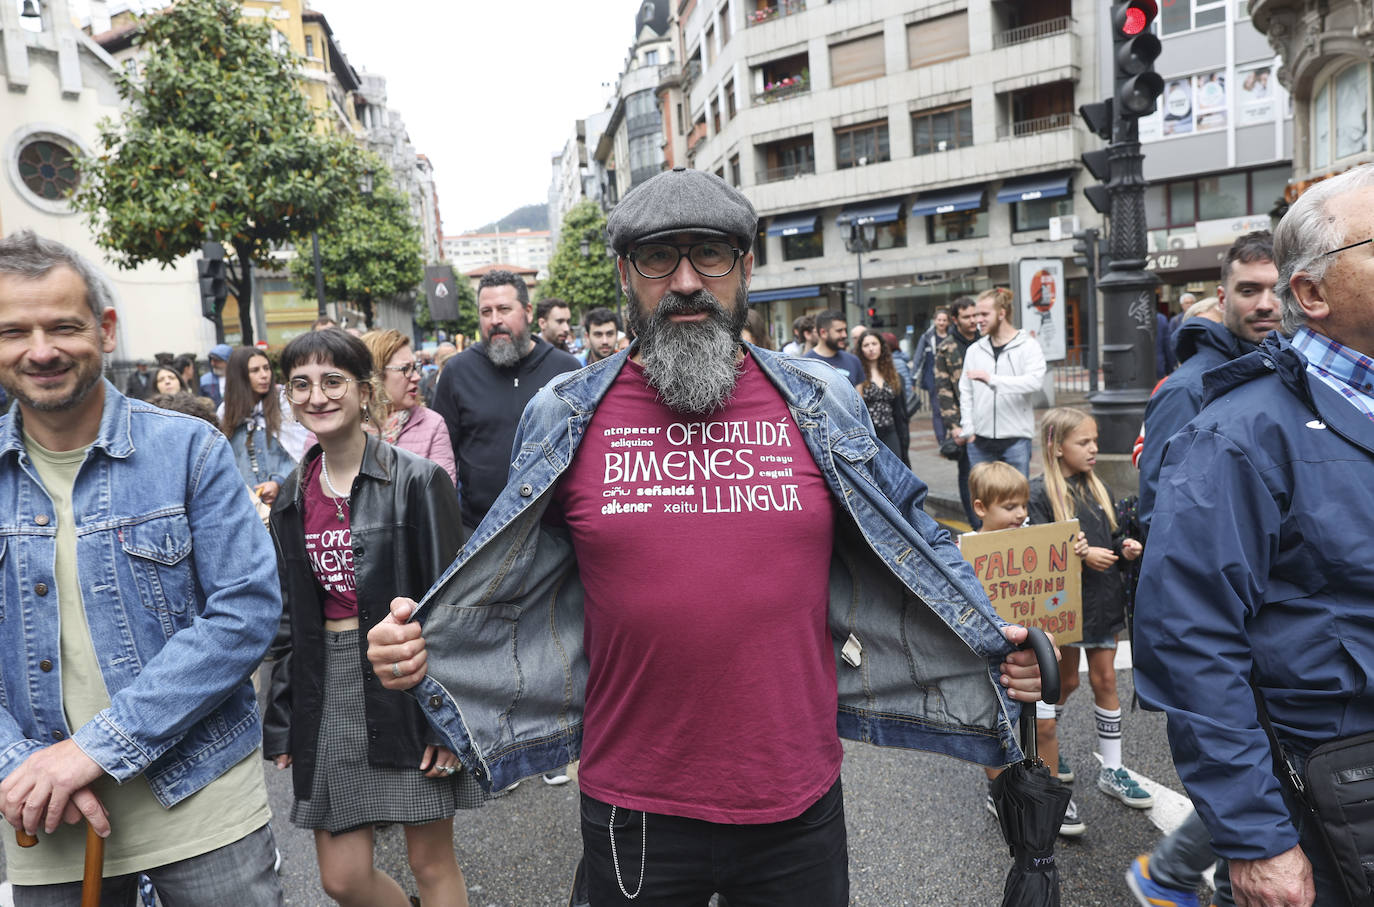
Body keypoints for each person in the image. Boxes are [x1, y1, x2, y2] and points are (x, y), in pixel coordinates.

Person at [364, 166, 1047, 905]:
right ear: (627, 273)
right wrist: (420, 640)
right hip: (633, 802)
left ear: (745, 267)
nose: (686, 280)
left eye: (711, 255)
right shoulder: (564, 413)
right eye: (660, 257)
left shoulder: (823, 401)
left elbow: (913, 527)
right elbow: (506, 574)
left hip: (796, 799)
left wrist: (994, 632)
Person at [0, 231, 283, 904]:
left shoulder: (188, 449)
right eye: (15, 331)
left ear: (104, 328)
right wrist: (21, 767)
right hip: (46, 818)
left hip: (203, 797)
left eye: (63, 325)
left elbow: (244, 613)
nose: (41, 350)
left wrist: (95, 748)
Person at [1134, 164, 1374, 907]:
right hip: (1330, 797)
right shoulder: (1237, 433)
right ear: (1311, 293)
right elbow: (1190, 635)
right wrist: (1258, 837)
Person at [263, 329, 480, 907]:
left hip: (407, 675)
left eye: (332, 381)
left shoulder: (416, 478)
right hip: (327, 681)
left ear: (363, 392)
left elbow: (452, 604)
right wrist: (281, 714)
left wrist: (450, 720)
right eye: (301, 385)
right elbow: (288, 617)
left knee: (430, 861)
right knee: (342, 878)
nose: (317, 396)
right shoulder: (290, 495)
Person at [1028, 407, 1148, 828]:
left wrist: (1125, 544)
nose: (1094, 448)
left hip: (1104, 601)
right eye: (1084, 442)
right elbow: (1036, 551)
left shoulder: (1099, 488)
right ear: (1056, 448)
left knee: (1107, 680)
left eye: (1095, 440)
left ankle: (1113, 769)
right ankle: (1047, 749)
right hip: (1065, 608)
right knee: (1067, 681)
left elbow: (1111, 536)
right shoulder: (1040, 493)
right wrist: (1074, 553)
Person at [963, 461, 1087, 838]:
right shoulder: (964, 548)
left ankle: (1048, 796)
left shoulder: (1038, 539)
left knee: (1045, 727)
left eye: (1023, 505)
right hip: (985, 663)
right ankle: (1000, 793)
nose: (1021, 514)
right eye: (1010, 507)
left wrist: (1073, 552)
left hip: (1031, 658)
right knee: (994, 734)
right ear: (982, 508)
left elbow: (1058, 576)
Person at [1137, 231, 1278, 530]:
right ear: (1223, 299)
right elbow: (1162, 517)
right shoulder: (1186, 390)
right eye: (1249, 290)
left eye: (1277, 290)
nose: (1265, 304)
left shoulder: (1293, 372)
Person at [430, 269, 580, 537]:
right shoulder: (457, 372)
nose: (495, 320)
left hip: (555, 535)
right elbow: (441, 461)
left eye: (504, 309)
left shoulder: (566, 370)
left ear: (529, 312)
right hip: (479, 535)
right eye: (486, 312)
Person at [958, 286, 1047, 476]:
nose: (977, 320)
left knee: (1015, 500)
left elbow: (1035, 381)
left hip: (1016, 441)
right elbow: (965, 391)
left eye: (984, 314)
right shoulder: (974, 350)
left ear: (1002, 313)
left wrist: (992, 380)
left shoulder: (1028, 346)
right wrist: (969, 430)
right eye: (975, 314)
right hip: (979, 442)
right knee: (983, 500)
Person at [362, 329, 457, 488]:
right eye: (405, 369)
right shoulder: (340, 425)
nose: (417, 377)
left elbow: (442, 498)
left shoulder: (432, 424)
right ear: (376, 374)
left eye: (415, 367)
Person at [219, 346, 296, 506]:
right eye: (255, 370)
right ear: (239, 375)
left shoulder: (284, 403)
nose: (264, 375)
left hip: (287, 499)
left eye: (266, 368)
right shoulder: (225, 412)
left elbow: (300, 452)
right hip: (248, 505)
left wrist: (277, 482)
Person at [935, 296, 981, 527]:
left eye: (975, 315)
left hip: (988, 419)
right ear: (955, 319)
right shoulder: (947, 348)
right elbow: (943, 390)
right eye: (967, 317)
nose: (973, 321)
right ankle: (976, 524)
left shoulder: (986, 340)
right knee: (968, 475)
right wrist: (954, 425)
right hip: (964, 422)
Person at [856, 330, 907, 460]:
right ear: (861, 349)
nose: (871, 348)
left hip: (890, 430)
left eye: (874, 343)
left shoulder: (891, 374)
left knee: (895, 470)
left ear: (881, 346)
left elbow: (899, 409)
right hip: (869, 433)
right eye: (866, 345)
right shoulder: (858, 374)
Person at [913, 308, 950, 437]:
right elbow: (918, 358)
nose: (941, 322)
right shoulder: (927, 337)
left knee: (951, 409)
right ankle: (941, 440)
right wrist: (913, 378)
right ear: (934, 321)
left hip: (951, 379)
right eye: (939, 320)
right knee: (937, 410)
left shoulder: (953, 336)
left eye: (944, 320)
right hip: (933, 379)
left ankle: (952, 436)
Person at [804, 309, 864, 385]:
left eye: (845, 330)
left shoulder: (853, 361)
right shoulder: (806, 364)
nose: (844, 335)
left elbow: (858, 395)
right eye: (839, 331)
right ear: (823, 333)